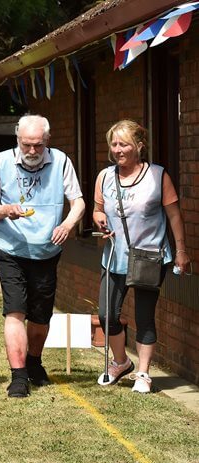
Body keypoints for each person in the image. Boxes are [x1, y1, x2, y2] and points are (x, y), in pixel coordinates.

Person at [0, 114, 85, 398]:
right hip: (10, 248)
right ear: (18, 139)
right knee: (15, 310)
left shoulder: (61, 161)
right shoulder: (0, 162)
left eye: (38, 145)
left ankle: (34, 362)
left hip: (47, 249)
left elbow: (78, 202)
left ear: (47, 140)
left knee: (40, 316)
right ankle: (18, 376)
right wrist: (5, 210)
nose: (32, 150)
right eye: (26, 144)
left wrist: (67, 225)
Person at [93, 120, 190, 393]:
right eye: (114, 144)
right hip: (114, 257)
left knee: (144, 316)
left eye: (123, 144)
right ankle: (121, 362)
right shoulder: (104, 177)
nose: (117, 149)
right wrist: (99, 219)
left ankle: (144, 373)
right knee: (107, 315)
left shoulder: (158, 176)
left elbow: (174, 216)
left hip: (149, 257)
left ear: (139, 146)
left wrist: (181, 250)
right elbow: (98, 210)